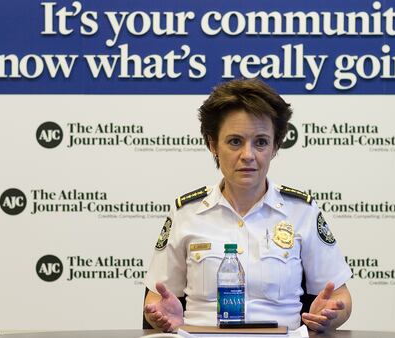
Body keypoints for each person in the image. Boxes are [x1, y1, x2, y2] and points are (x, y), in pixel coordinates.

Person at [143, 78, 352, 332]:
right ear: (213, 145)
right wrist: (160, 316)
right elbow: (156, 297)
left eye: (261, 142)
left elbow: (339, 297)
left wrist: (331, 315)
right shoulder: (186, 212)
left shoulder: (301, 211)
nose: (248, 155)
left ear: (275, 147)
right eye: (234, 142)